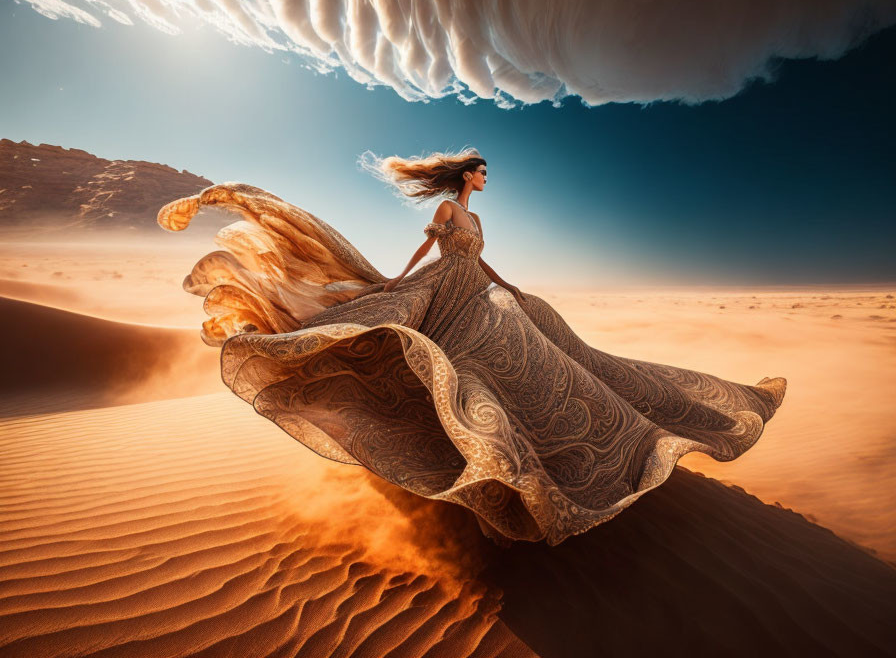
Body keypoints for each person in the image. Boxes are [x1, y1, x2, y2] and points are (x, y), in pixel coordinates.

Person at [157, 148, 787, 545]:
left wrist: (507, 284)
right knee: (449, 363)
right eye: (481, 172)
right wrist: (398, 284)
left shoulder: (477, 221)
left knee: (547, 346)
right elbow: (430, 249)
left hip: (478, 289)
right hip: (440, 291)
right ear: (465, 175)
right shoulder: (450, 216)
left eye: (485, 174)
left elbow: (481, 262)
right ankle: (496, 464)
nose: (486, 179)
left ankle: (580, 442)